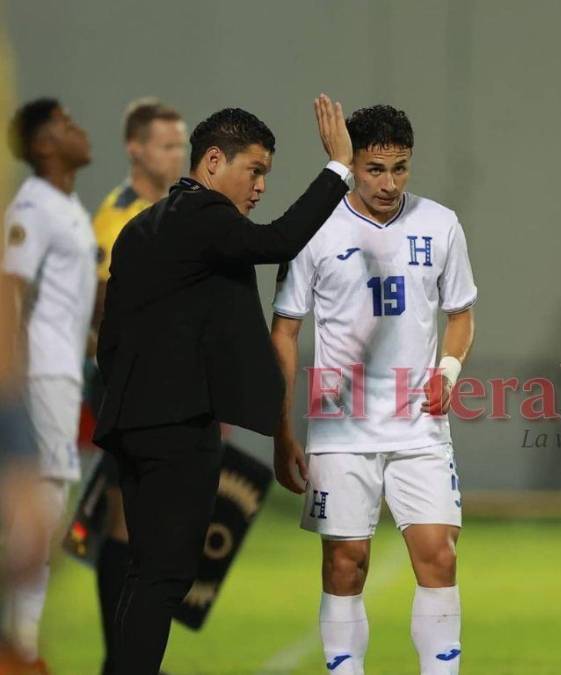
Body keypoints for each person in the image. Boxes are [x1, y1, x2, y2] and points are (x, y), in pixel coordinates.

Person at [93, 95, 353, 675]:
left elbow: (109, 338)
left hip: (132, 423)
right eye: (254, 170)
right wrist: (338, 168)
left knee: (147, 569)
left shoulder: (140, 229)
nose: (259, 187)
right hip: (178, 427)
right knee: (166, 574)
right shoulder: (205, 216)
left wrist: (136, 403)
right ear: (212, 162)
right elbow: (278, 241)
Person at [272, 104, 477, 675]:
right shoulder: (313, 229)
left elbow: (461, 313)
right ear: (351, 164)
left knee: (439, 554)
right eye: (375, 169)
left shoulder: (441, 223)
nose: (389, 183)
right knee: (346, 562)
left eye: (401, 168)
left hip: (419, 421)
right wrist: (280, 427)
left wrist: (449, 371)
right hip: (340, 421)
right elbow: (285, 331)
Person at [90, 98, 187, 675]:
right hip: (127, 387)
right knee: (126, 523)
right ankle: (120, 660)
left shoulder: (171, 211)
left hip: (165, 387)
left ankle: (132, 656)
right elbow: (107, 312)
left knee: (150, 527)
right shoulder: (118, 217)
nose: (177, 155)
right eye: (167, 145)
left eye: (181, 145)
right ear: (136, 148)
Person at [1, 98, 96, 670]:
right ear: (42, 145)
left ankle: (22, 642)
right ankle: (22, 646)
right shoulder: (33, 206)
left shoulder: (67, 207)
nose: (80, 131)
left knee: (47, 515)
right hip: (38, 377)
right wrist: (15, 381)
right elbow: (11, 286)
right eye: (67, 124)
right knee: (38, 515)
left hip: (60, 372)